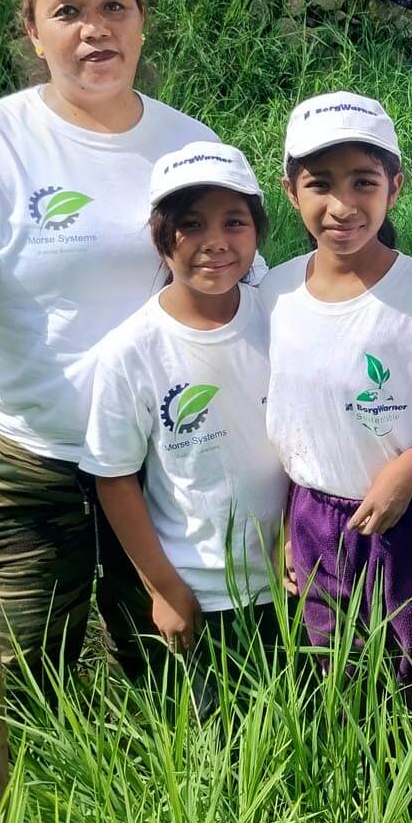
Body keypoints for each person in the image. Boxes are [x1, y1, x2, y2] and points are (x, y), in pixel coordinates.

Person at [0, 0, 257, 680]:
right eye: (65, 11)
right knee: (26, 664)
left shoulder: (187, 143)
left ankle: (167, 788)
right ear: (32, 32)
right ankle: (35, 793)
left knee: (171, 657)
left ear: (141, 20)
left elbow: (237, 279)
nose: (95, 28)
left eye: (114, 5)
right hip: (34, 451)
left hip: (165, 452)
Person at [262, 93, 412, 705]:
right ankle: (348, 789)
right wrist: (286, 528)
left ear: (395, 187)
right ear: (290, 190)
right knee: (330, 675)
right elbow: (280, 421)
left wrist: (409, 468)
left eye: (364, 182)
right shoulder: (274, 297)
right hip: (311, 517)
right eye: (320, 184)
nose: (343, 206)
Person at [80, 142, 286, 706]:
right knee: (227, 742)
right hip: (205, 590)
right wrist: (164, 588)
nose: (214, 241)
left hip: (299, 578)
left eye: (234, 222)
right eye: (190, 225)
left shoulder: (279, 317)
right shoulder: (132, 352)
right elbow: (114, 478)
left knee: (313, 721)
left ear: (258, 231)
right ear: (160, 238)